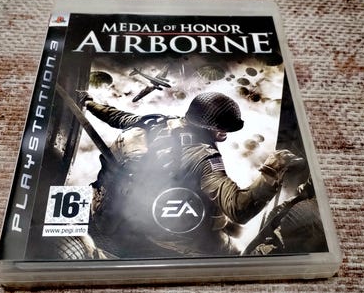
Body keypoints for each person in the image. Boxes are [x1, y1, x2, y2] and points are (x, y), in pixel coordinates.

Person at [80, 91, 304, 258]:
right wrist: (273, 169)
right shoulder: (203, 158)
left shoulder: (154, 121)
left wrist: (90, 104)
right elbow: (239, 209)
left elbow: (117, 117)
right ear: (205, 126)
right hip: (157, 232)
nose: (224, 133)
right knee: (231, 253)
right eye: (221, 128)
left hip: (108, 207)